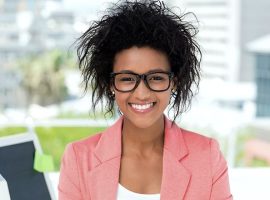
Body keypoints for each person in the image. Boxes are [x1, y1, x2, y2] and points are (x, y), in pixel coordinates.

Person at [58, 0, 233, 199]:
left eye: (156, 78)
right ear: (110, 84)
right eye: (127, 79)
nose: (142, 93)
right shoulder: (78, 158)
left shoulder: (207, 156)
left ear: (174, 82)